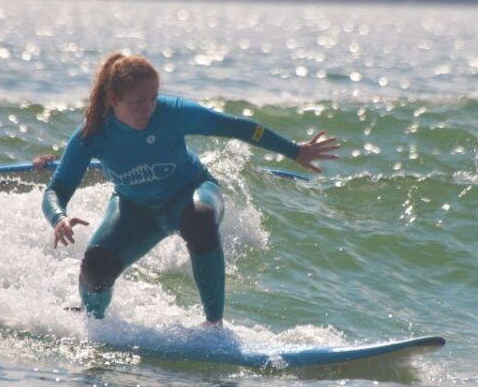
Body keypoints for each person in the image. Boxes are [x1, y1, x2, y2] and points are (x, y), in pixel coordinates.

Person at [43, 53, 339, 326]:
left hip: (191, 190)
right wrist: (59, 218)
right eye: (139, 102)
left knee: (199, 218)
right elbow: (56, 189)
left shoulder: (172, 113)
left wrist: (293, 150)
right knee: (96, 267)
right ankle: (95, 323)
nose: (149, 109)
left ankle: (214, 326)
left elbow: (238, 127)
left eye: (154, 99)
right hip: (135, 210)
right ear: (114, 99)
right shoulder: (92, 135)